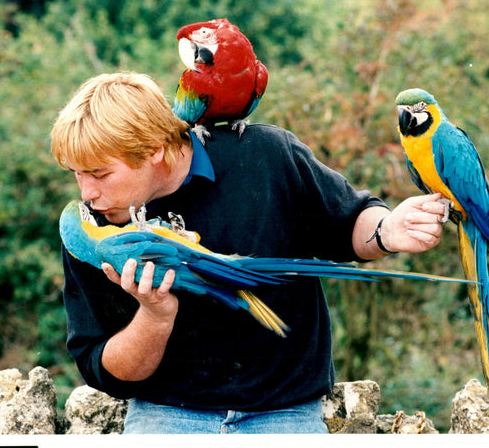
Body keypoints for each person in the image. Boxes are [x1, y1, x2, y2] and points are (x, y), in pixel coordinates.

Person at [49, 71, 447, 434]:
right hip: (166, 413)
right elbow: (107, 372)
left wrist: (388, 229)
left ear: (154, 149)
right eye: (77, 175)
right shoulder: (90, 229)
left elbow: (349, 224)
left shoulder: (266, 155)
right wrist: (154, 315)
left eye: (100, 174)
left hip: (286, 412)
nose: (87, 193)